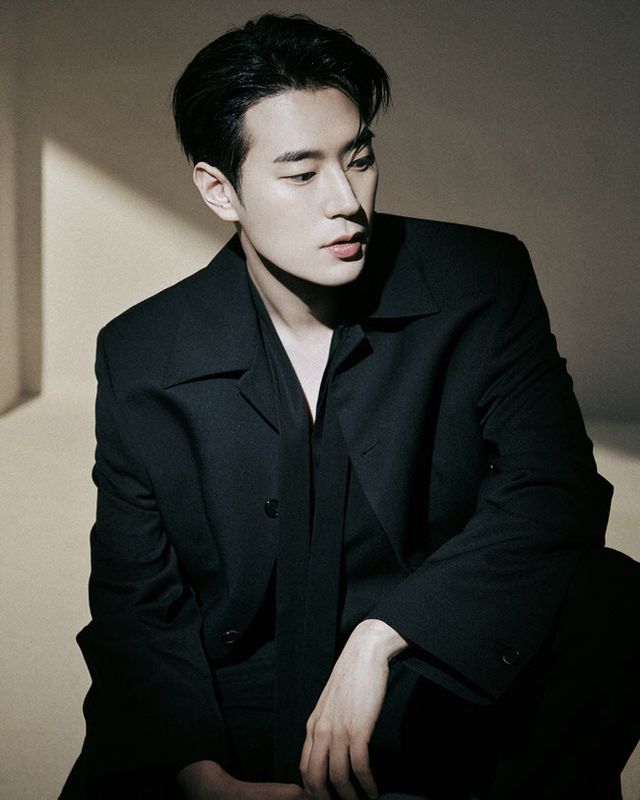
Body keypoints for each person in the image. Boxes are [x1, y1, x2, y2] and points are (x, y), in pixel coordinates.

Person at [60, 13, 640, 800]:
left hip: (429, 675)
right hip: (232, 706)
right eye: (301, 174)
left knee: (609, 595)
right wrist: (200, 778)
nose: (347, 200)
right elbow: (138, 600)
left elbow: (554, 490)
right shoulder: (143, 354)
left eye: (359, 158)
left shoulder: (480, 281)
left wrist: (384, 637)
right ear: (219, 190)